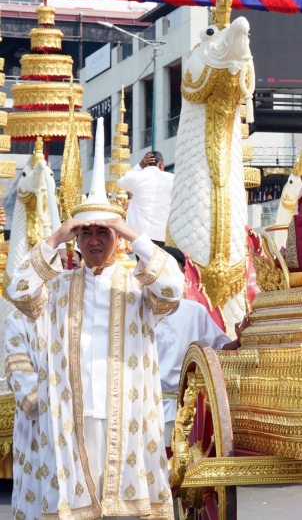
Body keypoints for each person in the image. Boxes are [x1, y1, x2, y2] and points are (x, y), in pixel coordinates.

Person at [4, 135, 182, 519]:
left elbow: (173, 288)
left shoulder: (139, 286)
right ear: (77, 239)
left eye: (105, 233)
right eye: (87, 233)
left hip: (128, 414)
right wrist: (58, 235)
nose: (96, 241)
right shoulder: (58, 288)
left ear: (118, 239)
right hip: (70, 415)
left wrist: (132, 231)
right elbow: (17, 291)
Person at [155, 246, 238, 447]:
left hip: (188, 406)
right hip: (149, 405)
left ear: (183, 274)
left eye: (174, 271)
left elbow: (219, 348)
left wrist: (241, 340)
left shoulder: (195, 311)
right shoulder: (138, 311)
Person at [117, 151, 174, 246]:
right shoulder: (172, 178)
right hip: (164, 234)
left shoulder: (137, 177)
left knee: (144, 261)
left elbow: (121, 183)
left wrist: (139, 166)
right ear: (161, 165)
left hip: (140, 237)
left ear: (144, 164)